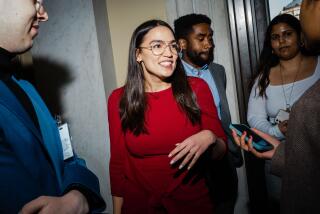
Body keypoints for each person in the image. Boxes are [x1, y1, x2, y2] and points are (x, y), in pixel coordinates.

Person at [108, 19, 227, 214]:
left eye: (173, 46)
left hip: (193, 204)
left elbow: (221, 151)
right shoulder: (119, 99)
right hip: (139, 206)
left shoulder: (197, 88)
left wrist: (210, 137)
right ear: (138, 54)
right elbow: (118, 164)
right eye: (157, 46)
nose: (169, 53)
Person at [0, 0, 105, 213]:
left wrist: (78, 197)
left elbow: (69, 157)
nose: (45, 14)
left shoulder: (26, 88)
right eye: (35, 1)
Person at [232, 1, 320, 213]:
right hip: (277, 161)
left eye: (287, 34)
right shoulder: (263, 77)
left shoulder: (319, 65)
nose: (282, 40)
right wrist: (276, 131)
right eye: (275, 37)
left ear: (300, 37)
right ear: (270, 44)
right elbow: (254, 119)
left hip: (314, 160)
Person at [174, 13, 242, 214]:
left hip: (222, 159)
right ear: (182, 44)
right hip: (189, 163)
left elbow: (222, 113)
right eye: (201, 38)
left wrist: (230, 148)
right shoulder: (170, 76)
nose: (209, 44)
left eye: (210, 38)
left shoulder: (218, 71)